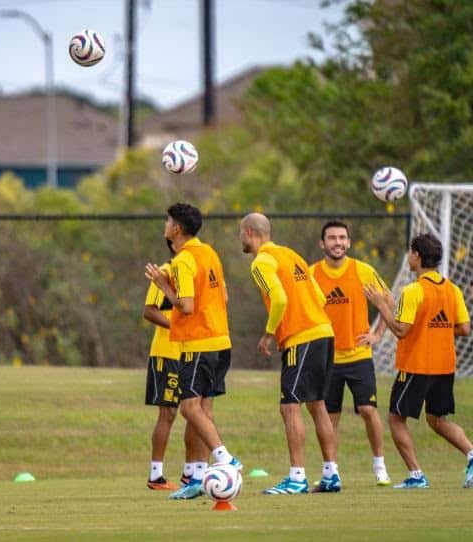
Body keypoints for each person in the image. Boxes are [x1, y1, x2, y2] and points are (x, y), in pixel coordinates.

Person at [364, 233, 473, 489]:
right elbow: (464, 328)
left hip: (416, 365)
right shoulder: (452, 289)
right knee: (436, 419)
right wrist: (436, 328)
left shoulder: (413, 291)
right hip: (444, 366)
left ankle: (416, 475)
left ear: (417, 255)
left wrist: (380, 304)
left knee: (396, 419)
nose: (408, 257)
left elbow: (401, 330)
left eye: (410, 253)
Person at [239, 213, 340, 495]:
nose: (240, 238)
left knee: (290, 406)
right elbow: (320, 297)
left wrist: (269, 333)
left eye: (241, 233)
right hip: (324, 332)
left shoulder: (261, 262)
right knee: (317, 404)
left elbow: (280, 298)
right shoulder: (291, 255)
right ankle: (331, 475)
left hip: (301, 337)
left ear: (249, 232)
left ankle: (297, 478)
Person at [145, 203, 240, 501]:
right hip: (221, 341)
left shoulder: (183, 260)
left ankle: (226, 459)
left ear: (176, 229)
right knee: (202, 411)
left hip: (198, 344)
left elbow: (185, 306)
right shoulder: (209, 253)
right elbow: (224, 296)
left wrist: (164, 285)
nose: (165, 225)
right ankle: (198, 477)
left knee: (188, 409)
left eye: (167, 221)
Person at [310, 221, 391, 485]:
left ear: (349, 242)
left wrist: (377, 334)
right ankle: (331, 472)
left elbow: (389, 301)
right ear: (322, 243)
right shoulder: (312, 274)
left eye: (342, 237)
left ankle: (380, 465)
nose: (338, 242)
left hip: (359, 355)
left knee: (368, 409)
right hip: (326, 358)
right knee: (330, 417)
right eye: (332, 238)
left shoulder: (363, 270)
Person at [142, 241, 181, 490]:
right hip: (166, 353)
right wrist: (178, 328)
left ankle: (192, 473)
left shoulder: (192, 275)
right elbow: (149, 311)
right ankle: (156, 475)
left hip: (191, 353)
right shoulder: (164, 273)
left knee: (196, 411)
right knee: (168, 413)